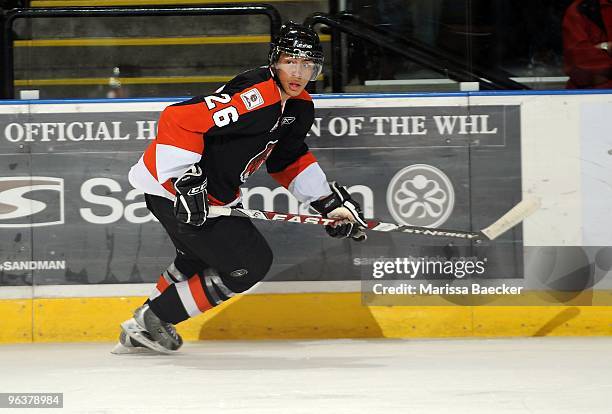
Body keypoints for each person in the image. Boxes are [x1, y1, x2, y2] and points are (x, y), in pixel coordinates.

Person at [113, 22, 368, 354]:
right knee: (251, 262)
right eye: (291, 61)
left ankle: (142, 325)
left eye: (308, 65)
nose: (299, 72)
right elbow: (178, 119)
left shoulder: (299, 106)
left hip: (201, 198)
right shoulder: (257, 95)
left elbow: (287, 159)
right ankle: (154, 319)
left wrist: (328, 203)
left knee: (197, 258)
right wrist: (183, 184)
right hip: (175, 193)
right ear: (275, 61)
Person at [563, 0, 612, 89]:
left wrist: (600, 48)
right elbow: (580, 63)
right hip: (587, 96)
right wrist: (606, 47)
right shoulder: (583, 9)